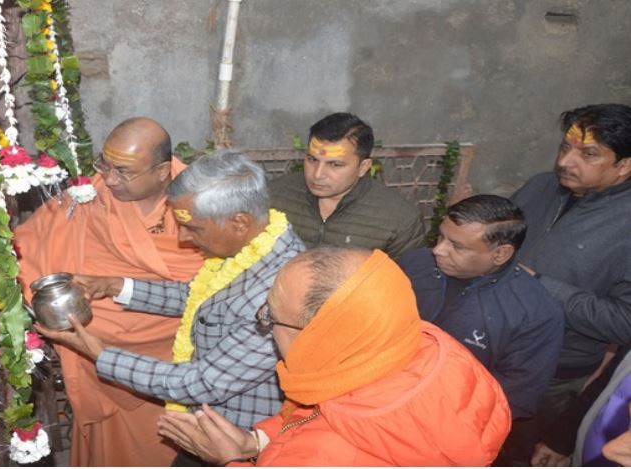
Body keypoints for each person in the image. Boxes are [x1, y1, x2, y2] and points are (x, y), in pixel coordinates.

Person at [35, 151, 306, 466]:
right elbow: (199, 296)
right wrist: (114, 285)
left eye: (193, 228)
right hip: (205, 433)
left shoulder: (278, 293)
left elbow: (201, 383)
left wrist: (99, 353)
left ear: (239, 222)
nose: (183, 238)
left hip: (237, 445)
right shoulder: (255, 243)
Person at [157, 247, 512, 466]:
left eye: (271, 318)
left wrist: (229, 460)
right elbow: (321, 415)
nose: (265, 324)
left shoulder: (319, 454)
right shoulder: (433, 348)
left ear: (319, 338)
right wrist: (256, 442)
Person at [14, 117, 206, 466]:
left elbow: (206, 290)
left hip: (169, 350)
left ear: (163, 172)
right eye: (105, 164)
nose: (110, 179)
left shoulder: (200, 202)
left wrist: (114, 301)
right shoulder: (90, 196)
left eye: (123, 171)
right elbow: (30, 244)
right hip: (96, 345)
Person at [510, 104, 631, 438]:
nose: (565, 161)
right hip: (496, 344)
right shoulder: (540, 186)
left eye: (588, 154)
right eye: (565, 147)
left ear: (624, 166)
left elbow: (624, 322)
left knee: (520, 447)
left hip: (552, 371)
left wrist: (538, 284)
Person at [397, 194, 564, 419]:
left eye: (457, 246)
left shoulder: (536, 314)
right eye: (441, 236)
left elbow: (512, 399)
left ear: (500, 254)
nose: (438, 250)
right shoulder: (414, 263)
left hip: (444, 421)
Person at [269, 112, 425, 256]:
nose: (317, 174)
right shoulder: (273, 196)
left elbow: (407, 275)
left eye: (335, 164)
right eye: (312, 160)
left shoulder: (400, 220)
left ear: (363, 167)